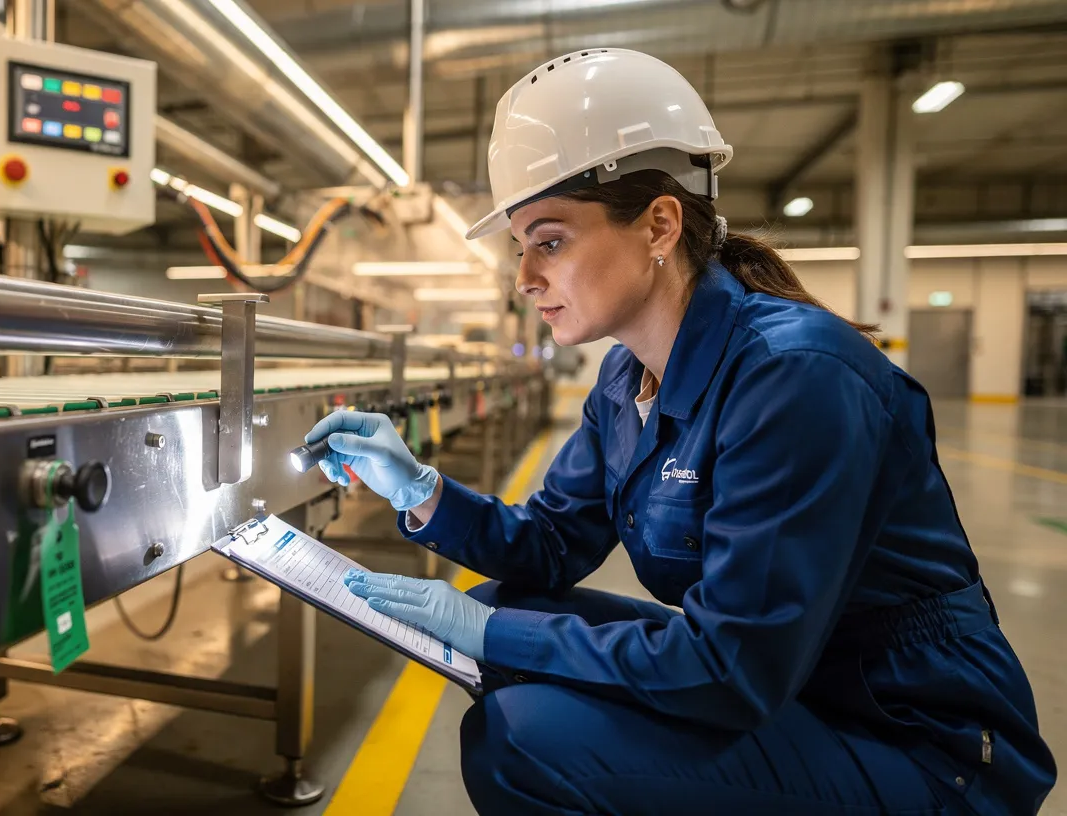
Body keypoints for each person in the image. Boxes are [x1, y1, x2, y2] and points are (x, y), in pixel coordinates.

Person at [305, 49, 1055, 815]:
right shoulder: (626, 378)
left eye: (551, 240)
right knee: (511, 619)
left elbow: (732, 666)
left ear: (660, 224)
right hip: (794, 685)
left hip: (917, 739)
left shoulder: (796, 377)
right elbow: (553, 545)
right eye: (519, 247)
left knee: (526, 736)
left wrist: (496, 636)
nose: (524, 277)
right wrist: (422, 491)